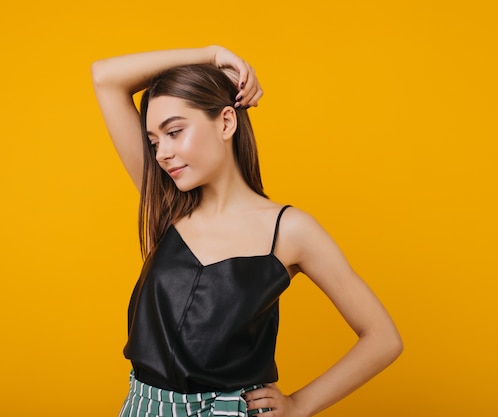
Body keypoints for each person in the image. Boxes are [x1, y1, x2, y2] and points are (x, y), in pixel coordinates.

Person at [91, 45, 403, 417]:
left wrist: (300, 404)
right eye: (155, 141)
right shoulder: (167, 206)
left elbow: (383, 338)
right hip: (146, 408)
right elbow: (106, 78)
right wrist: (210, 55)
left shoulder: (290, 230)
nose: (161, 153)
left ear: (226, 122)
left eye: (174, 131)